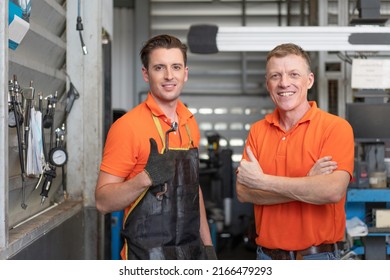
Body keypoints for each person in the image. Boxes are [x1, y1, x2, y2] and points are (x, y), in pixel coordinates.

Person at [95, 34, 216, 260]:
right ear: (145, 74)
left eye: (176, 67)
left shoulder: (189, 123)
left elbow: (193, 189)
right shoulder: (127, 127)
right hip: (145, 258)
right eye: (159, 67)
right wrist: (145, 178)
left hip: (190, 255)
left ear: (185, 73)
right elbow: (102, 202)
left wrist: (208, 246)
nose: (169, 76)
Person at [235, 43, 354, 260]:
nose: (284, 83)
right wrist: (308, 183)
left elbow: (331, 191)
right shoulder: (258, 131)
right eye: (276, 76)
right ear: (268, 83)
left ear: (309, 80)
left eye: (293, 74)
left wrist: (262, 182)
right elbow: (244, 192)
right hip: (267, 258)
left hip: (317, 260)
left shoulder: (336, 128)